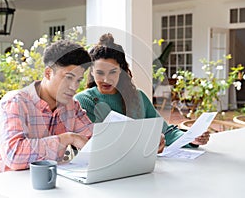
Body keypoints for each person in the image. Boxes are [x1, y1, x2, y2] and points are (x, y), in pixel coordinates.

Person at [74, 33, 210, 152]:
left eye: (113, 72)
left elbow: (165, 131)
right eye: (99, 73)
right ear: (91, 72)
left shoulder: (138, 97)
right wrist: (147, 145)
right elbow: (94, 144)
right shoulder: (83, 101)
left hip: (143, 168)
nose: (106, 79)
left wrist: (191, 139)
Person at [0, 40, 93, 175]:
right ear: (48, 73)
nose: (74, 87)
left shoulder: (71, 106)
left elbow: (94, 139)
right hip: (0, 183)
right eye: (68, 78)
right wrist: (67, 138)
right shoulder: (14, 102)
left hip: (44, 181)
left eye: (78, 80)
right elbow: (14, 156)